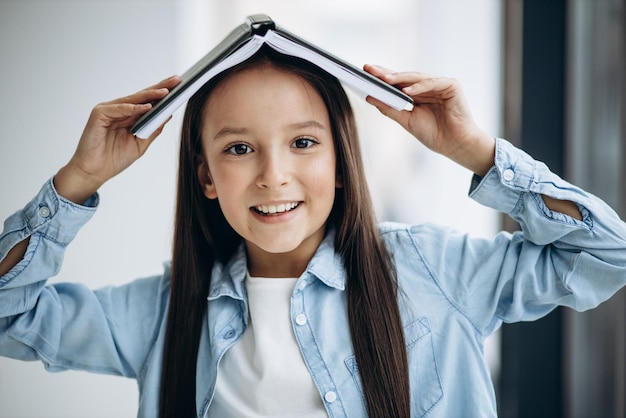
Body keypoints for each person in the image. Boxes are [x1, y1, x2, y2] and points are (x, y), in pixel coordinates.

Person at [1, 46, 625, 418]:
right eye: (240, 148)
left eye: (303, 142)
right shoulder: (162, 314)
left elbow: (607, 254)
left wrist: (477, 152)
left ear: (340, 161)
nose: (275, 176)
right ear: (207, 176)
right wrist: (77, 180)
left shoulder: (436, 273)